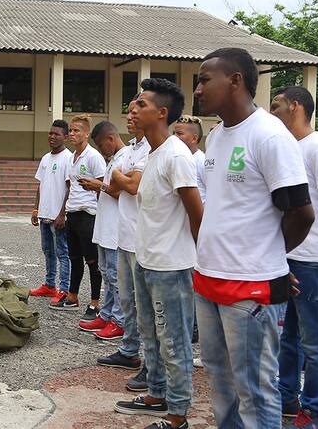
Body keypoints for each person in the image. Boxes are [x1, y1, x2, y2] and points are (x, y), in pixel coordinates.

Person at [194, 47, 314, 428]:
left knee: (255, 388)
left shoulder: (269, 135)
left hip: (250, 288)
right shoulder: (215, 137)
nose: (197, 90)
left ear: (235, 81)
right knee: (220, 379)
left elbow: (301, 213)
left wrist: (270, 260)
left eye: (203, 80)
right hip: (208, 278)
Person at [114, 78, 203, 429]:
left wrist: (204, 261)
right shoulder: (153, 154)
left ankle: (178, 413)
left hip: (171, 266)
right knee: (150, 334)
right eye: (132, 105)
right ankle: (156, 393)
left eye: (140, 105)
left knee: (174, 340)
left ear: (162, 113)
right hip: (146, 259)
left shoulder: (177, 156)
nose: (132, 111)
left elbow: (197, 212)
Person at [270, 86, 318, 428]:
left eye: (276, 106)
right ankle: (287, 397)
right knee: (289, 337)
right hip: (288, 256)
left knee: (315, 342)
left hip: (315, 259)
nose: (271, 113)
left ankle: (317, 410)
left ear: (296, 106)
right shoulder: (289, 147)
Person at [97, 96, 151, 387]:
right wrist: (121, 178)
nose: (130, 116)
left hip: (142, 238)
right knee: (128, 300)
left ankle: (151, 365)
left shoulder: (150, 150)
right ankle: (130, 350)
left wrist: (118, 176)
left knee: (145, 305)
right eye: (128, 111)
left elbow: (130, 186)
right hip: (124, 236)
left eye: (136, 111)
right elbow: (122, 185)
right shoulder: (130, 150)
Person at [50, 114, 106, 321]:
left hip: (88, 214)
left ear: (87, 133)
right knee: (74, 259)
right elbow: (71, 187)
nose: (72, 134)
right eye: (71, 130)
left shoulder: (93, 157)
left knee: (92, 261)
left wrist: (101, 216)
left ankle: (95, 302)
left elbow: (102, 187)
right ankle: (72, 296)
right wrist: (64, 212)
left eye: (77, 131)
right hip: (73, 213)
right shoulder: (72, 157)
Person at [77, 120, 127, 340]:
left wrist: (99, 186)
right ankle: (106, 315)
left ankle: (119, 321)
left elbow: (124, 193)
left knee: (116, 278)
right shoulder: (112, 159)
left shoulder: (126, 158)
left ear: (111, 139)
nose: (99, 150)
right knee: (107, 274)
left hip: (116, 229)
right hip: (104, 227)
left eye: (100, 145)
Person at [30, 120, 73, 301]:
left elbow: (70, 188)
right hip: (44, 215)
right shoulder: (46, 158)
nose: (52, 137)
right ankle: (49, 285)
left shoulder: (68, 158)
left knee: (62, 253)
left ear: (65, 137)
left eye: (56, 134)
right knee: (48, 251)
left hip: (58, 216)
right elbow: (41, 185)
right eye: (50, 133)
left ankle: (64, 289)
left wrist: (62, 213)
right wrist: (36, 208)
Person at [173, 115, 206, 203]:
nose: (174, 137)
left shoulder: (202, 162)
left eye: (179, 134)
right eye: (174, 133)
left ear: (194, 138)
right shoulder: (174, 159)